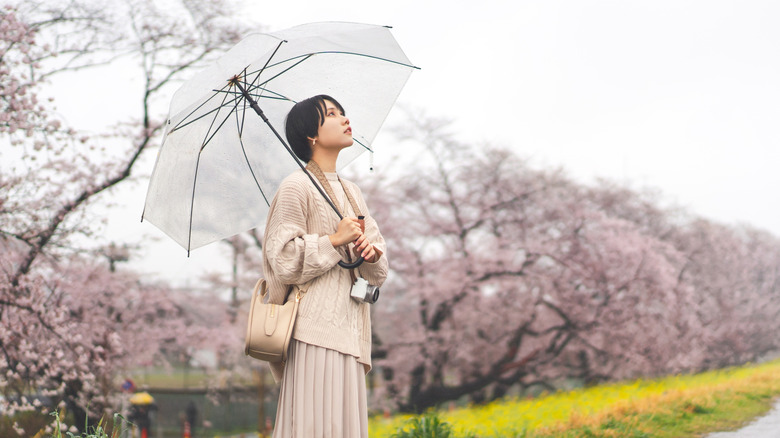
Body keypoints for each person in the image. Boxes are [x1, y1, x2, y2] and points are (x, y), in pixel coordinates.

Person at [262, 95, 388, 438]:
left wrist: (371, 254)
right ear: (311, 136)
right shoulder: (295, 187)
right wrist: (333, 241)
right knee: (313, 426)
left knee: (341, 427)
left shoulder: (352, 192)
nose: (344, 118)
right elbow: (282, 258)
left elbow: (378, 270)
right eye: (331, 114)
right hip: (313, 329)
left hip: (351, 326)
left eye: (343, 111)